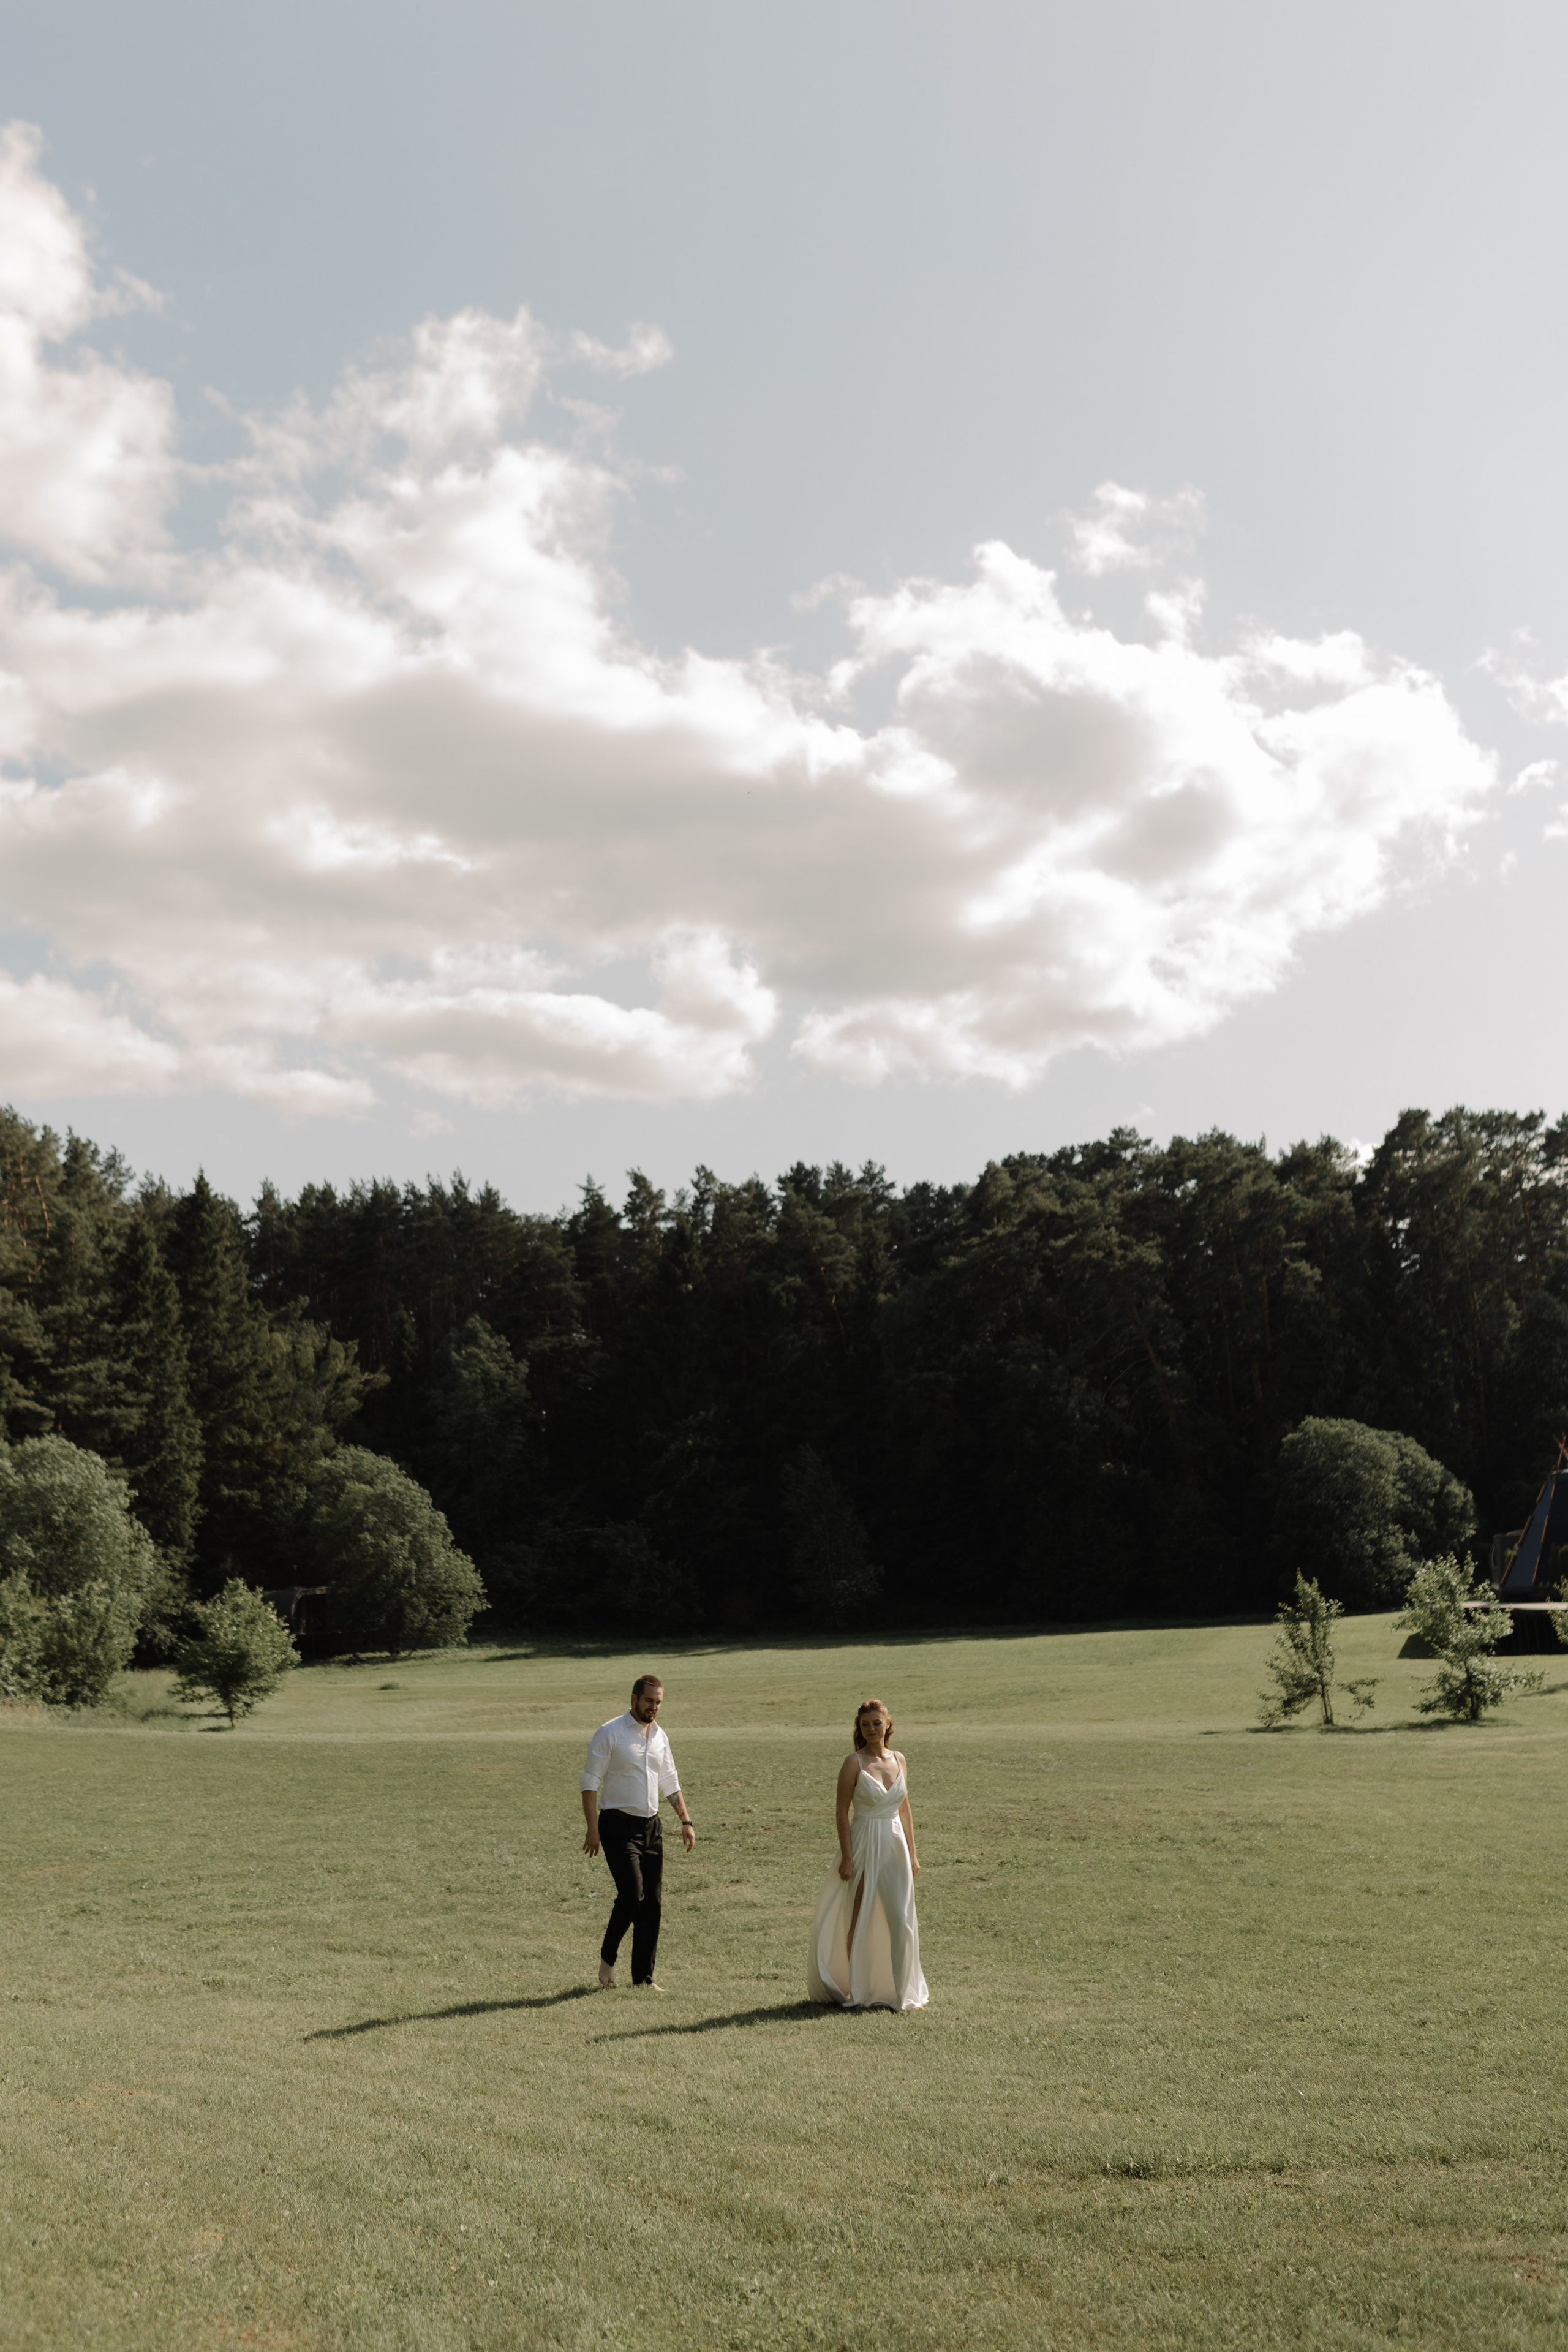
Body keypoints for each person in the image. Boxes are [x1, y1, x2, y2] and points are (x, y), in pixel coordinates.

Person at [807, 1697, 928, 2011]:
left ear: (888, 1724)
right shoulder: (854, 1763)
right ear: (859, 1728)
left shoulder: (900, 1759)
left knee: (900, 1919)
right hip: (863, 1844)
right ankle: (857, 1990)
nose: (871, 1729)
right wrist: (847, 1857)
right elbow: (840, 1811)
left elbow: (905, 1809)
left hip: (895, 1846)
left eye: (877, 1723)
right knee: (860, 1918)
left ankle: (903, 1994)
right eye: (865, 1724)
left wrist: (913, 1854)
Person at [580, 1674, 695, 1989]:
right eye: (648, 1701)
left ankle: (644, 1978)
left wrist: (686, 1822)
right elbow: (590, 1782)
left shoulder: (660, 1736)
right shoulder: (610, 1733)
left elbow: (669, 1780)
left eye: (658, 1702)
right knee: (632, 1895)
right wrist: (593, 1829)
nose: (653, 1707)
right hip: (618, 1825)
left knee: (652, 1903)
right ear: (633, 1699)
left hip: (652, 1826)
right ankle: (608, 1958)